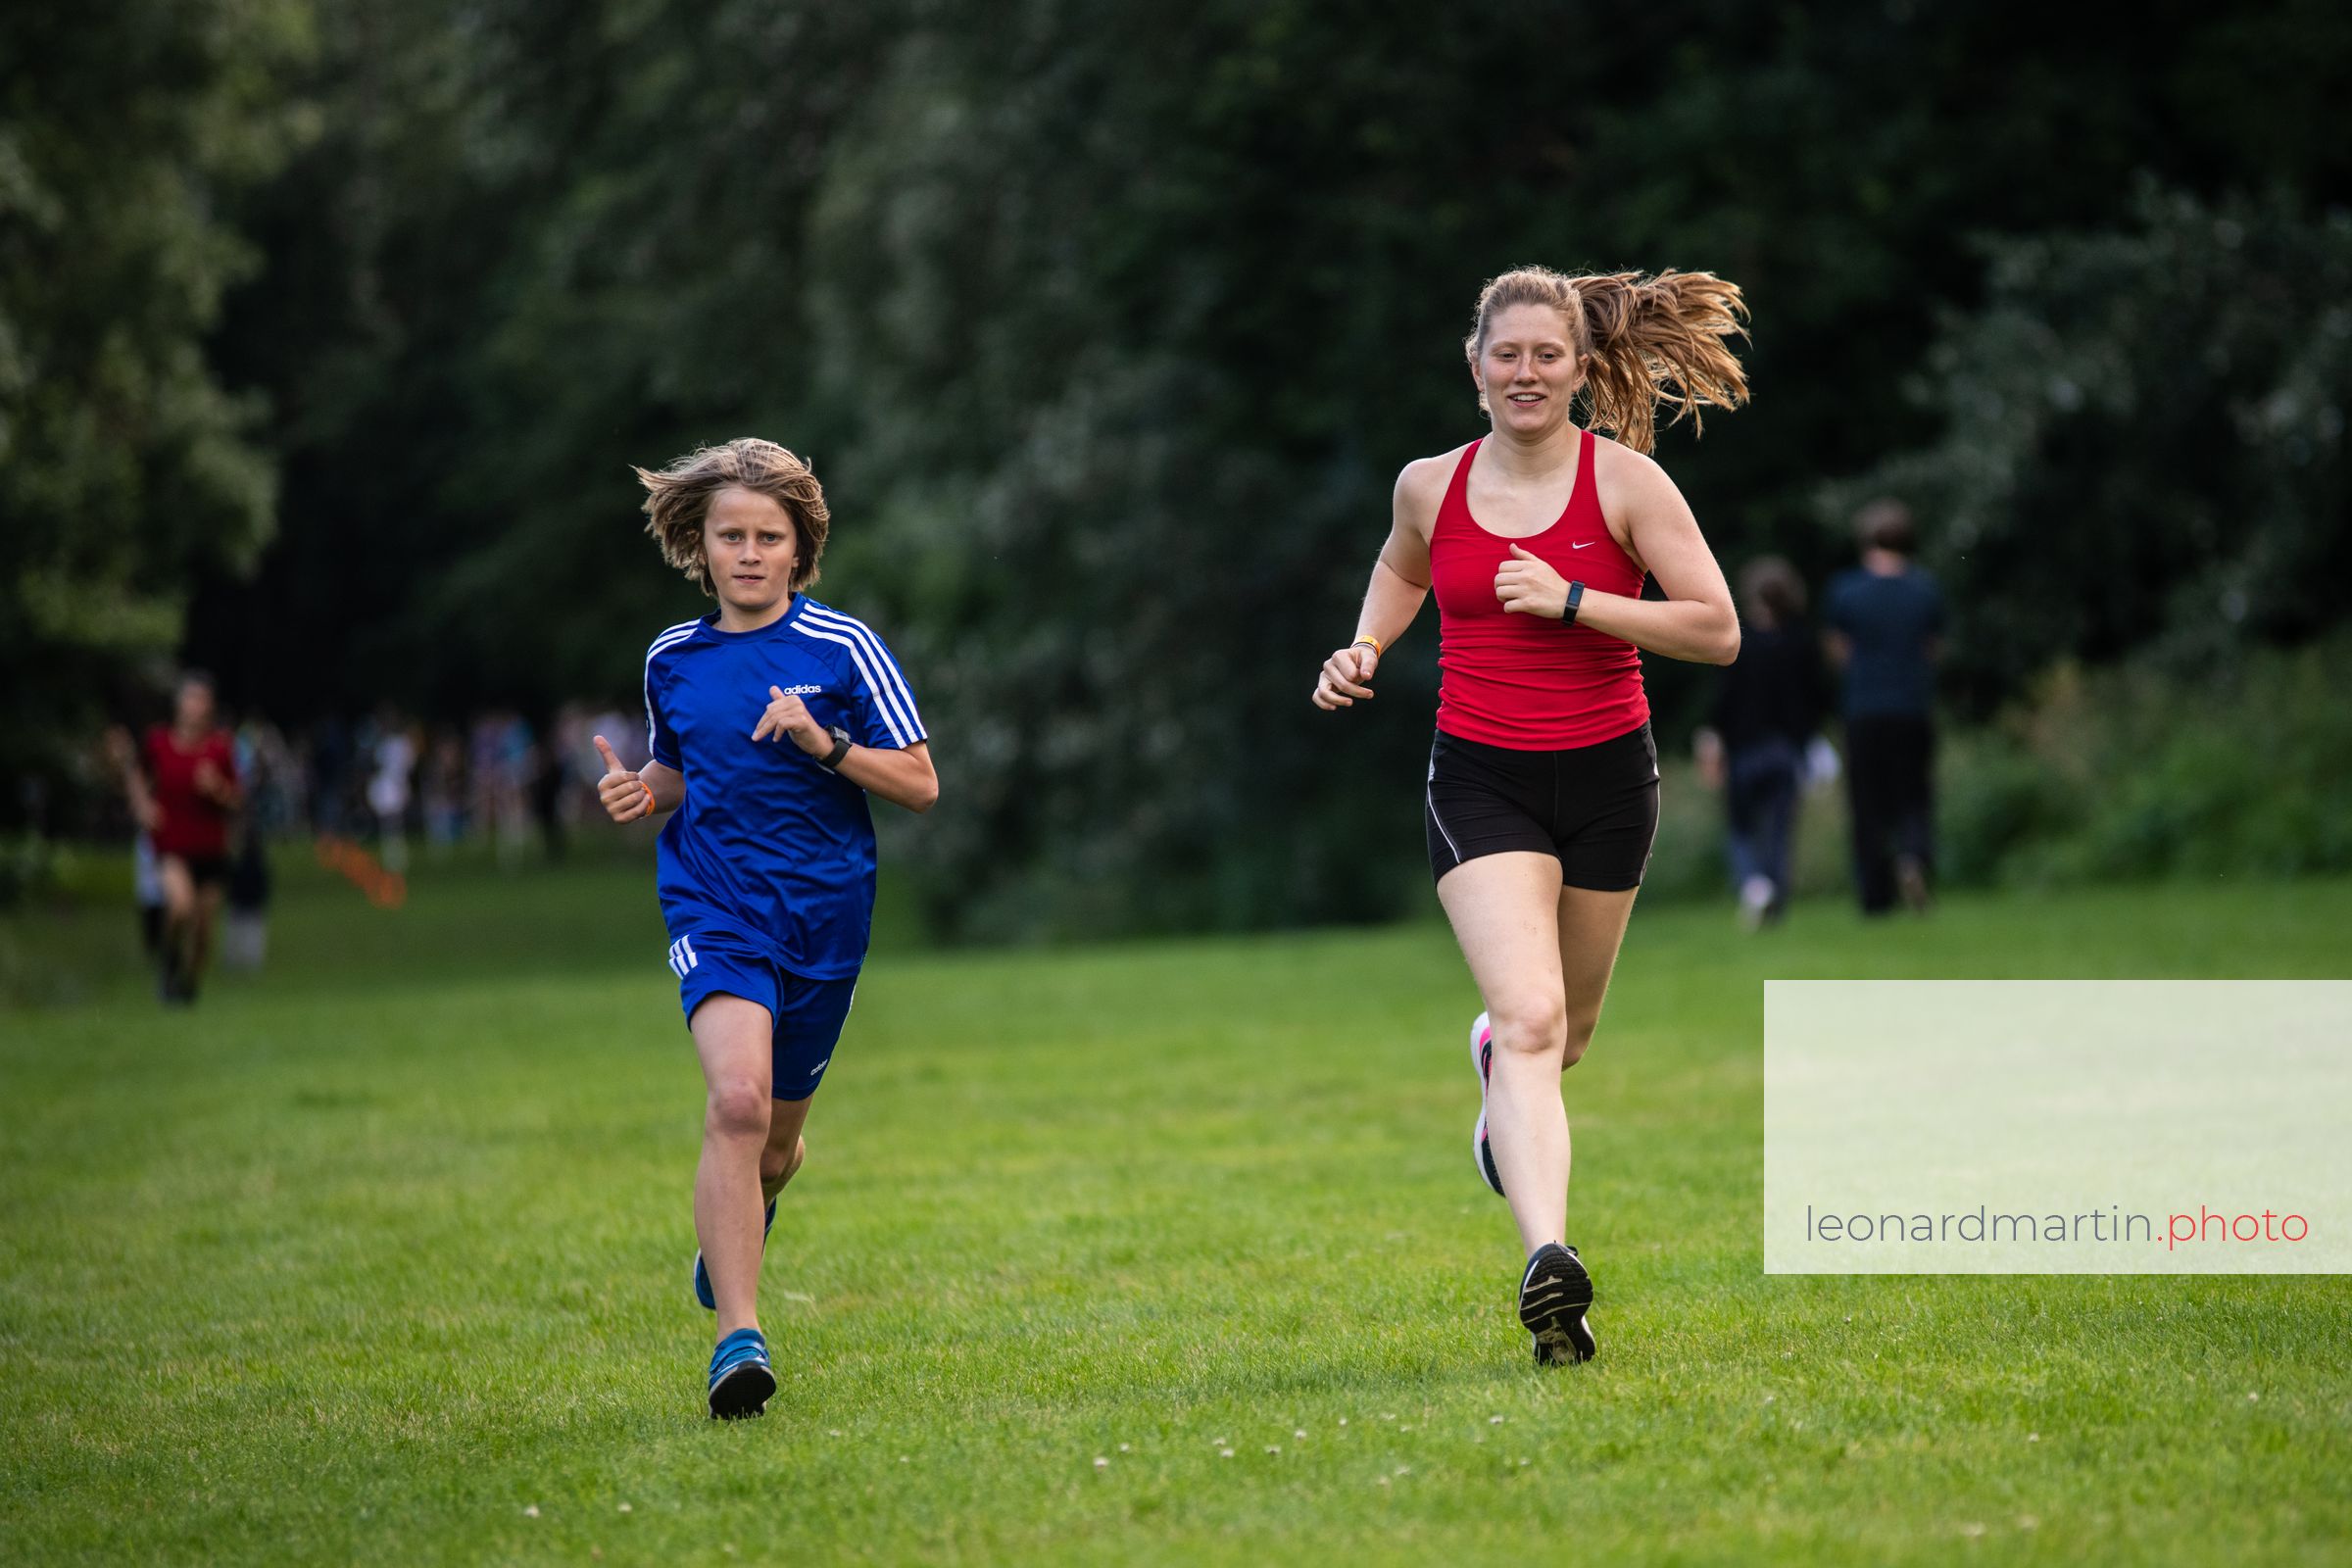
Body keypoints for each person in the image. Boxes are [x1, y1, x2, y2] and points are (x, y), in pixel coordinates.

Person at [1312, 267, 1745, 1366]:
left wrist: (1575, 600)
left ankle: (1494, 1068)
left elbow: (1716, 629)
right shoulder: (1430, 486)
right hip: (1480, 779)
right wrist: (1364, 645)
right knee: (1534, 1020)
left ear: (1581, 368)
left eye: (1547, 355)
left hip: (1609, 783)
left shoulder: (1629, 485)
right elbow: (1401, 568)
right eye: (1506, 354)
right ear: (1475, 368)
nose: (1526, 372)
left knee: (1567, 1037)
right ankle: (1551, 1268)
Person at [593, 437, 938, 1419]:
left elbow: (920, 782)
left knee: (776, 1149)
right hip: (715, 904)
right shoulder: (672, 657)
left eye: (768, 537)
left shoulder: (843, 648)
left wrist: (824, 742)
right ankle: (737, 1340)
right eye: (730, 536)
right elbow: (679, 770)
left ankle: (744, 1215)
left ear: (800, 547)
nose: (748, 553)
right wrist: (639, 791)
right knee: (736, 1104)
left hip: (826, 917)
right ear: (699, 546)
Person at [1693, 557, 1829, 928]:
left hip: (1745, 749)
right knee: (1779, 830)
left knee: (1741, 826)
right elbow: (1818, 696)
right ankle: (1775, 901)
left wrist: (1712, 741)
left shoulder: (1738, 641)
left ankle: (1753, 883)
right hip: (1786, 750)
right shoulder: (1801, 640)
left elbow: (1722, 699)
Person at [1824, 499, 1943, 914]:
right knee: (1914, 794)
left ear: (1866, 540)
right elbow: (1931, 649)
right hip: (1912, 707)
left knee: (1867, 803)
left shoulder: (1846, 591)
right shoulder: (1925, 589)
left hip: (1864, 709)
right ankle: (1913, 857)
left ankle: (1876, 895)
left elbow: (1839, 650)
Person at [135, 672, 244, 1003]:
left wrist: (217, 788)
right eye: (191, 699)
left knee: (203, 929)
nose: (196, 706)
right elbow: (137, 776)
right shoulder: (158, 742)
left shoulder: (220, 747)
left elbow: (237, 800)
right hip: (171, 844)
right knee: (181, 906)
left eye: (202, 700)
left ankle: (188, 985)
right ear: (179, 703)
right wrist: (142, 805)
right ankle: (168, 962)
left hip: (211, 848)